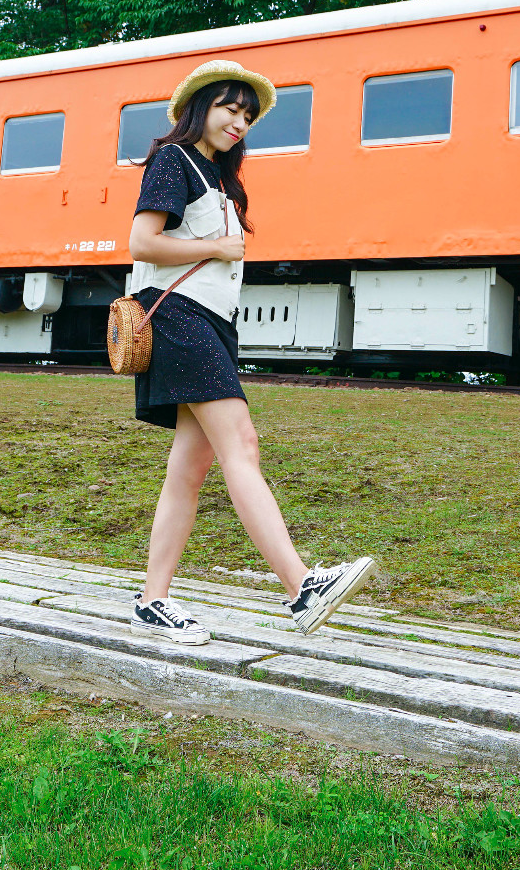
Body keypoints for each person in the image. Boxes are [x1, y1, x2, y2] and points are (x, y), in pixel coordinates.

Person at [124, 59, 375, 645]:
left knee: (191, 468)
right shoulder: (174, 161)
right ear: (200, 108)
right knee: (241, 443)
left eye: (247, 115)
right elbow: (140, 240)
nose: (238, 122)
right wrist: (218, 246)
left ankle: (152, 601)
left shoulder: (221, 179)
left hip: (210, 322)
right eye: (228, 109)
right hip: (178, 316)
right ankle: (301, 588)